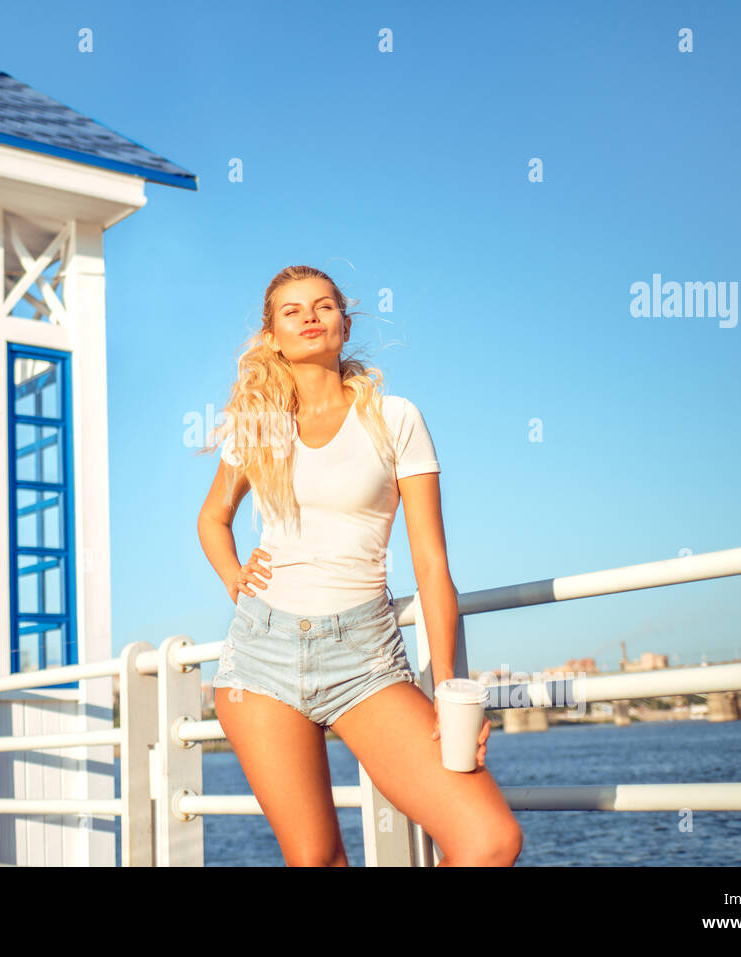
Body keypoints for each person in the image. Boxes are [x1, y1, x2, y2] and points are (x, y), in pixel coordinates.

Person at [197, 265, 522, 867]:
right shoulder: (259, 426)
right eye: (292, 311)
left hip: (366, 658)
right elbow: (212, 518)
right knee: (316, 859)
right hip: (259, 659)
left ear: (345, 324)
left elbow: (430, 561)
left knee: (488, 840)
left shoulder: (396, 418)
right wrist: (235, 576)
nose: (310, 316)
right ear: (271, 336)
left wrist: (448, 685)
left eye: (324, 306)